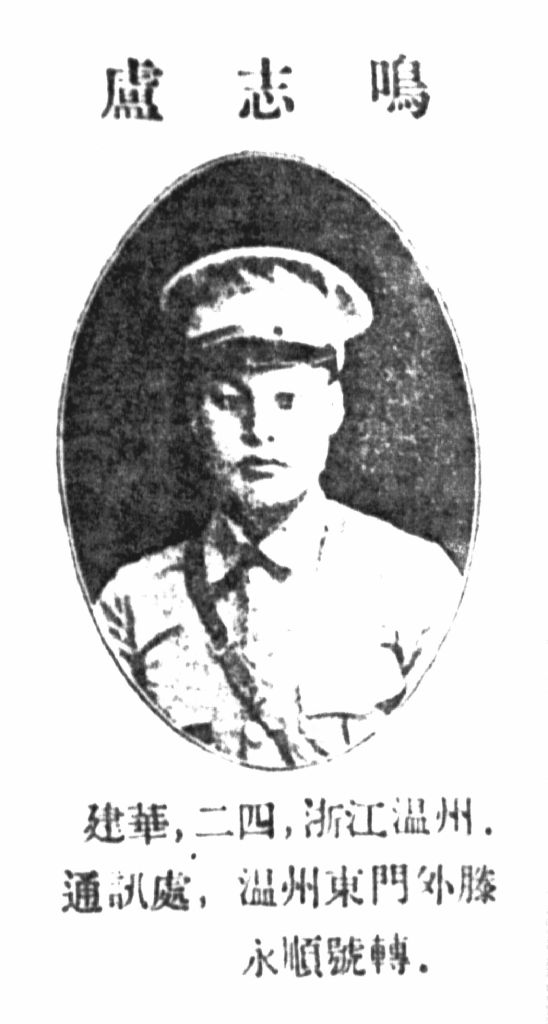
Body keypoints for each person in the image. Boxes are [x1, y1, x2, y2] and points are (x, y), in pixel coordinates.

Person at [95, 246, 462, 768]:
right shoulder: (131, 605)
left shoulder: (417, 584)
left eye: (287, 400)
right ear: (194, 416)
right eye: (228, 401)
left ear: (333, 409)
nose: (260, 430)